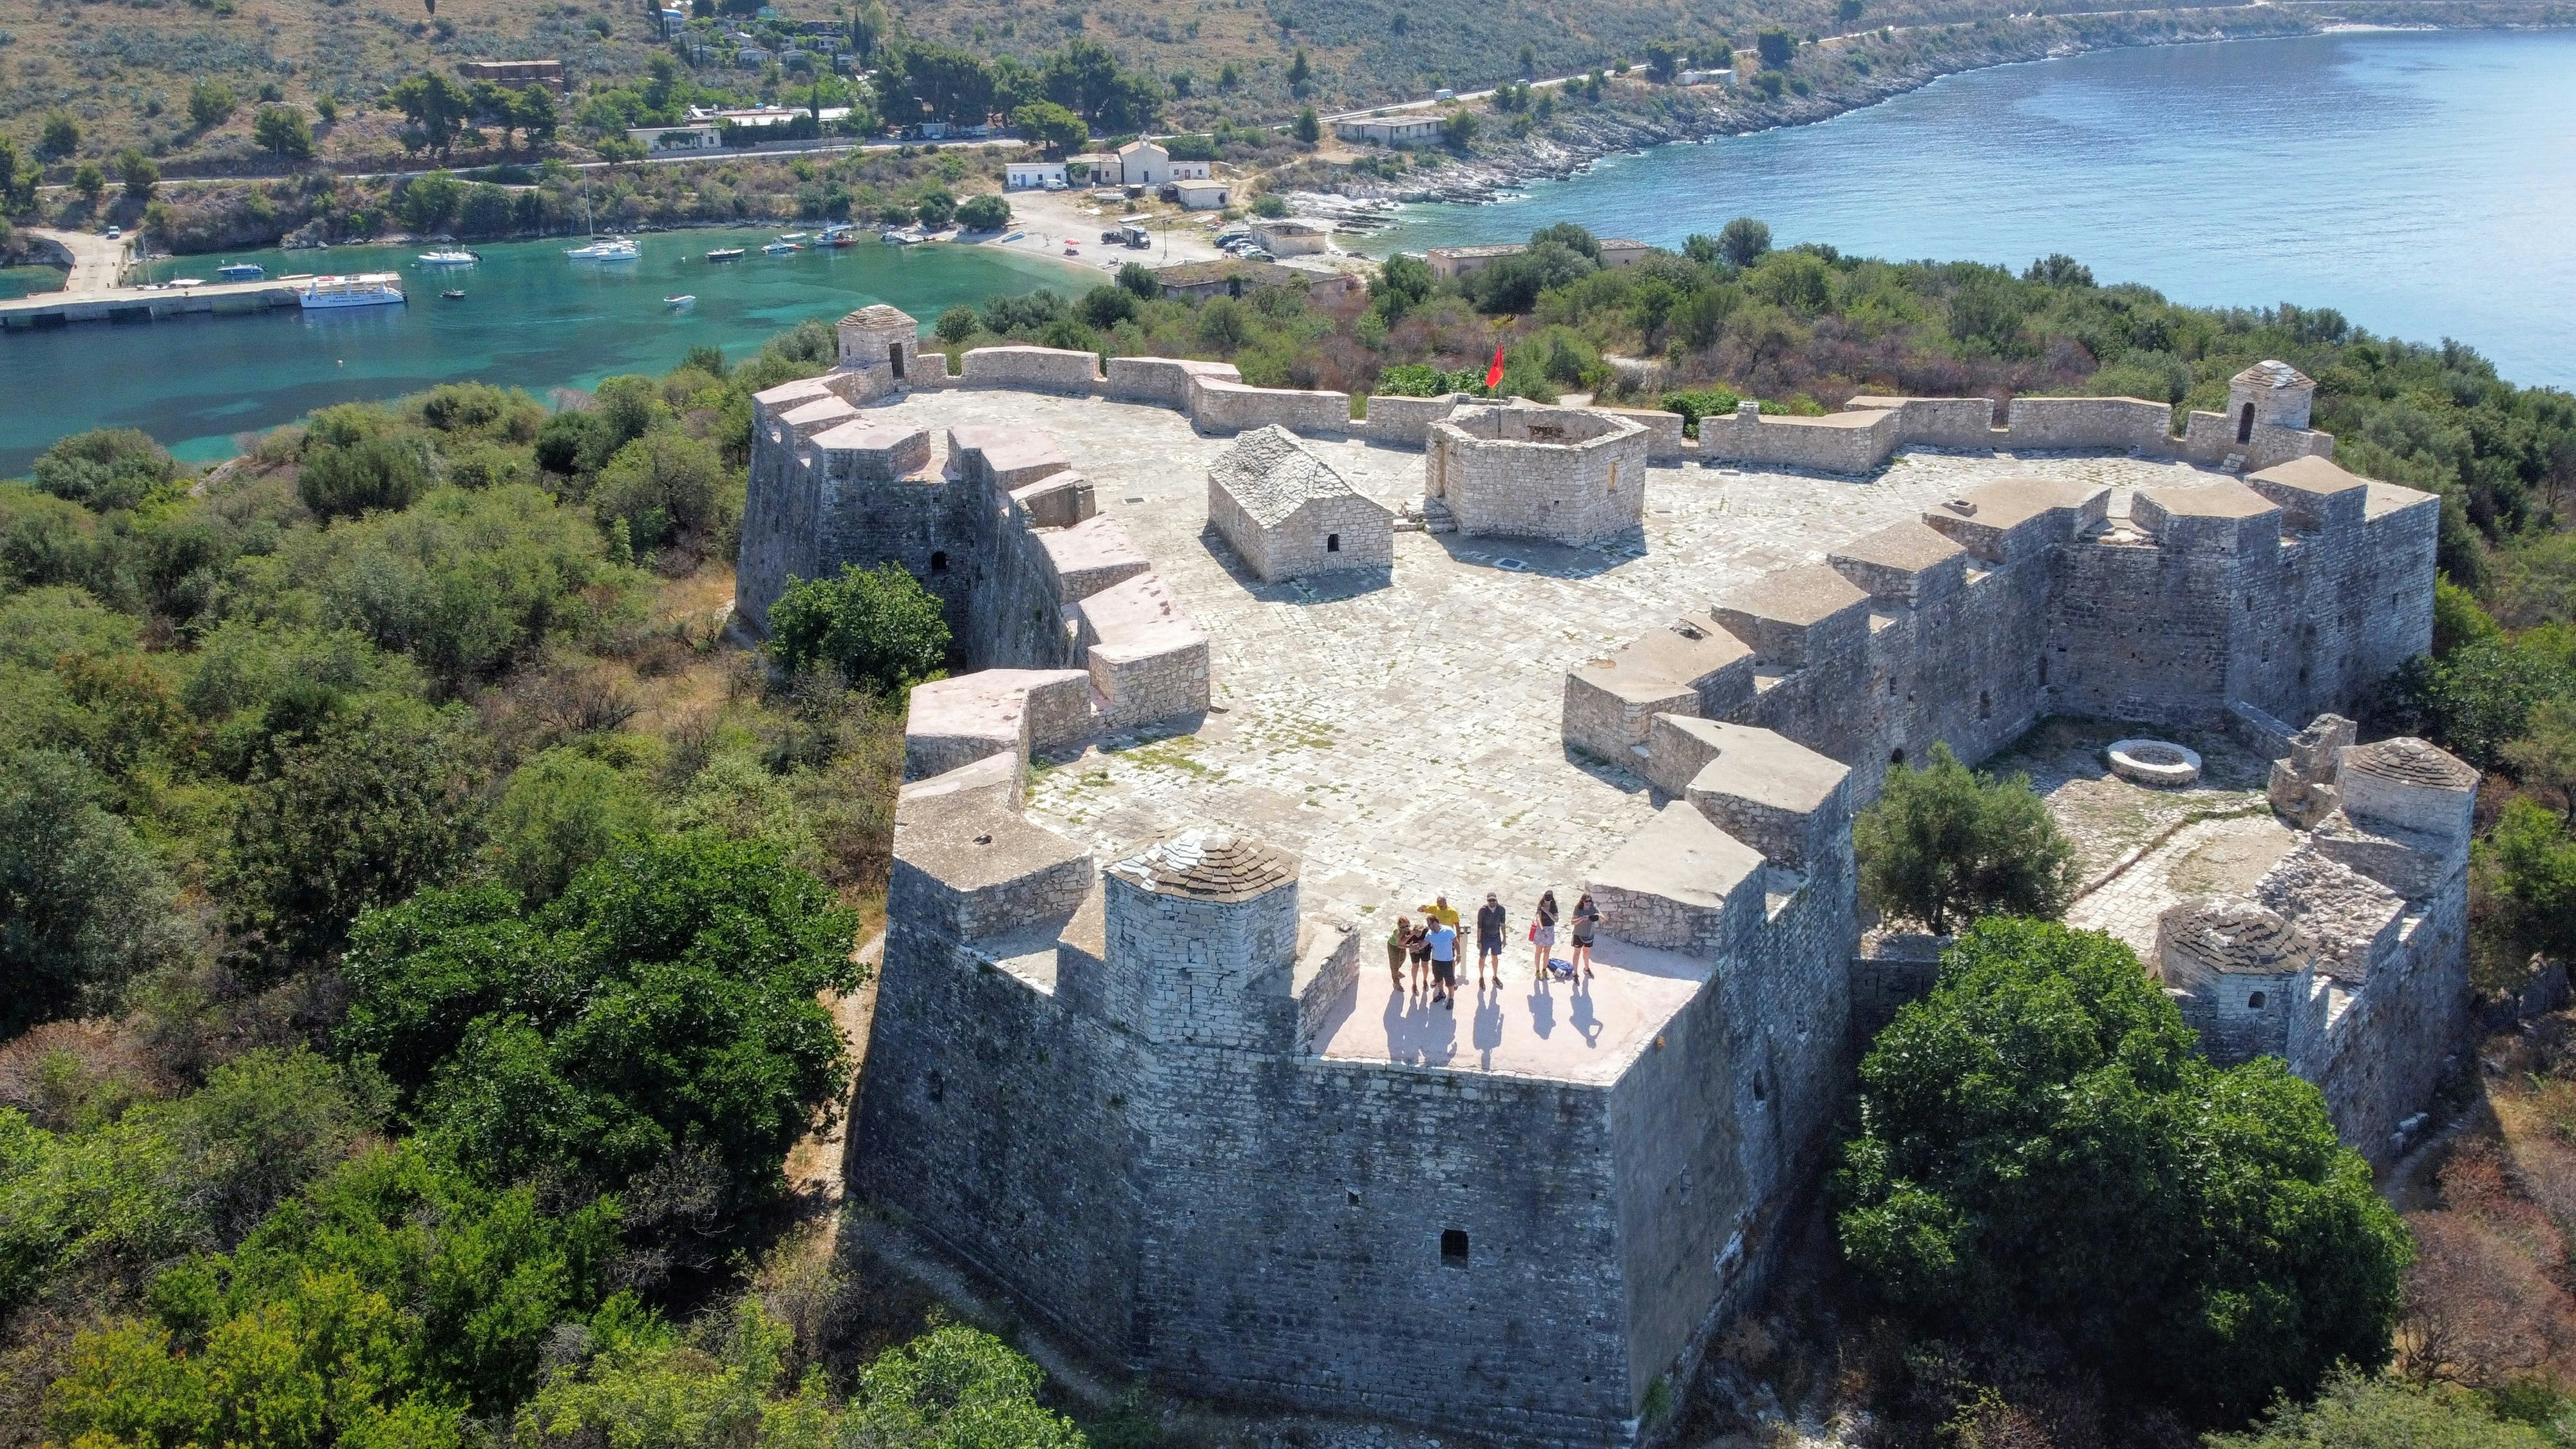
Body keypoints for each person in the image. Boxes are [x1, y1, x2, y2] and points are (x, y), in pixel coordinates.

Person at [1474, 893, 1506, 989]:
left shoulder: (1501, 910)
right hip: (1485, 937)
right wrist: (1479, 941)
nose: (1492, 902)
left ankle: (1495, 976)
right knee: (1482, 957)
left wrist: (1504, 938)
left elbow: (1503, 925)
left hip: (1496, 937)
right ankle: (1481, 977)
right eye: (1490, 901)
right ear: (1487, 901)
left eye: (1493, 900)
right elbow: (1479, 927)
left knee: (1495, 957)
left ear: (1496, 900)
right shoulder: (1483, 911)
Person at [1426, 915, 1459, 1006]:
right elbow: (1423, 944)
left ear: (1435, 922)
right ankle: (1441, 993)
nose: (1429, 927)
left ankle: (1451, 998)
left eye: (1430, 924)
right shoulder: (1429, 934)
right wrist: (1414, 947)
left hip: (1447, 961)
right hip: (1436, 961)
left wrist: (1459, 955)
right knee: (1438, 978)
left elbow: (1456, 942)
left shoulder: (1448, 930)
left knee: (1450, 981)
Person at [1569, 893, 1600, 979]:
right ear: (1583, 901)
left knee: (1586, 952)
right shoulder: (1578, 909)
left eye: (1590, 901)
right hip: (1578, 934)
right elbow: (1572, 922)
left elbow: (1599, 916)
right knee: (1577, 953)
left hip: (1589, 935)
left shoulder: (1593, 907)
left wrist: (1597, 917)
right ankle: (1575, 973)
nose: (1588, 903)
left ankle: (1586, 969)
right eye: (1586, 901)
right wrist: (1582, 918)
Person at [1532, 889, 1559, 981]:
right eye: (1546, 901)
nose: (1547, 903)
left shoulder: (1554, 907)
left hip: (1550, 929)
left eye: (1548, 901)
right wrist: (1542, 928)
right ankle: (1537, 970)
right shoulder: (1541, 906)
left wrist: (1547, 912)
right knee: (1538, 952)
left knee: (1547, 951)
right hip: (1541, 930)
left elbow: (1556, 919)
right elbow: (1538, 918)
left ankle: (1544, 969)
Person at [1406, 920, 1434, 994]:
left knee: (1425, 965)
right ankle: (1414, 984)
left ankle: (1425, 980)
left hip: (1426, 949)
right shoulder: (1410, 934)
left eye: (1419, 932)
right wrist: (1416, 947)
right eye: (1416, 932)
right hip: (1415, 951)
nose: (1418, 934)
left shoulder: (1427, 932)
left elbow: (1431, 940)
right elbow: (1408, 946)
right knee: (1415, 966)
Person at [1385, 915, 1412, 990]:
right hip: (1394, 946)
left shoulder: (1408, 928)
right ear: (1399, 926)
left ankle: (1396, 971)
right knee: (1394, 965)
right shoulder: (1397, 931)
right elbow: (1399, 945)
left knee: (1403, 958)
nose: (1405, 928)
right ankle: (1396, 983)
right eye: (1403, 927)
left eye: (1407, 926)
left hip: (1402, 944)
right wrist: (1410, 947)